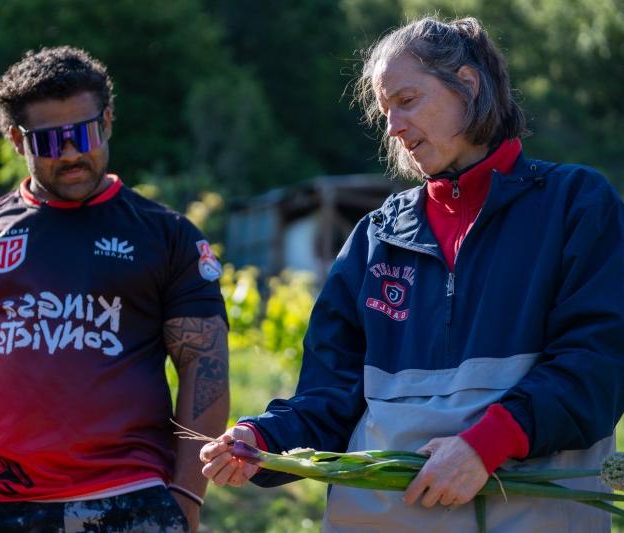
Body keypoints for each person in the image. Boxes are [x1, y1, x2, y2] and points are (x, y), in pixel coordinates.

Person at [200, 16, 624, 532]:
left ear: (467, 84)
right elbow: (330, 397)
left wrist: (486, 445)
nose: (393, 127)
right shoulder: (375, 236)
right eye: (384, 111)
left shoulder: (576, 205)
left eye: (407, 100)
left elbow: (597, 364)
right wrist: (262, 440)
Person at [0, 46, 229, 532]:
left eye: (81, 133)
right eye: (50, 141)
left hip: (132, 498)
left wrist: (188, 494)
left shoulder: (168, 236)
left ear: (107, 121)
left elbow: (203, 362)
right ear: (15, 140)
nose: (70, 153)